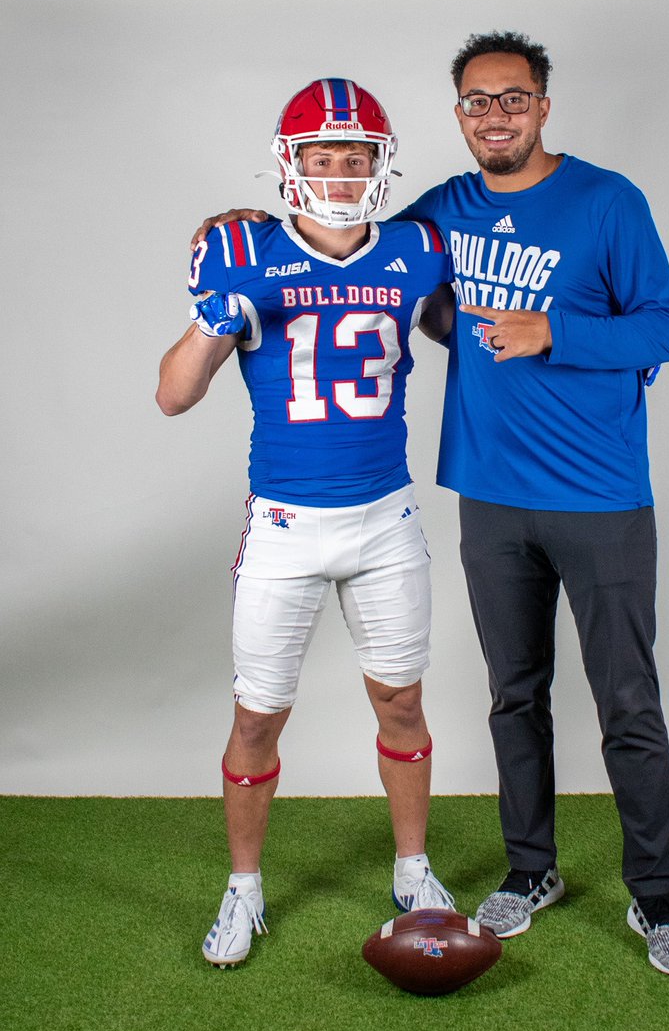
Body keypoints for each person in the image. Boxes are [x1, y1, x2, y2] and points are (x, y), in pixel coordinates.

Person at [192, 33, 669, 977]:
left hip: (600, 494)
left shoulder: (607, 200)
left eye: (514, 99)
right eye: (477, 101)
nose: (496, 115)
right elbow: (340, 234)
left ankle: (655, 897)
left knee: (625, 700)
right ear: (459, 113)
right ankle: (529, 872)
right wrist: (245, 225)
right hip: (489, 494)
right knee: (515, 697)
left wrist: (558, 328)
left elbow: (663, 327)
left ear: (544, 106)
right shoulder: (440, 215)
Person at [158, 78, 456, 968]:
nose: (338, 171)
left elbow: (476, 342)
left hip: (386, 520)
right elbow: (173, 395)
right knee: (257, 718)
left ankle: (413, 866)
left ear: (380, 163)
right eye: (322, 156)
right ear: (291, 166)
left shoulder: (414, 249)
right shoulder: (243, 254)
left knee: (400, 700)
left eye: (354, 156)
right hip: (286, 527)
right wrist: (215, 318)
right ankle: (243, 888)